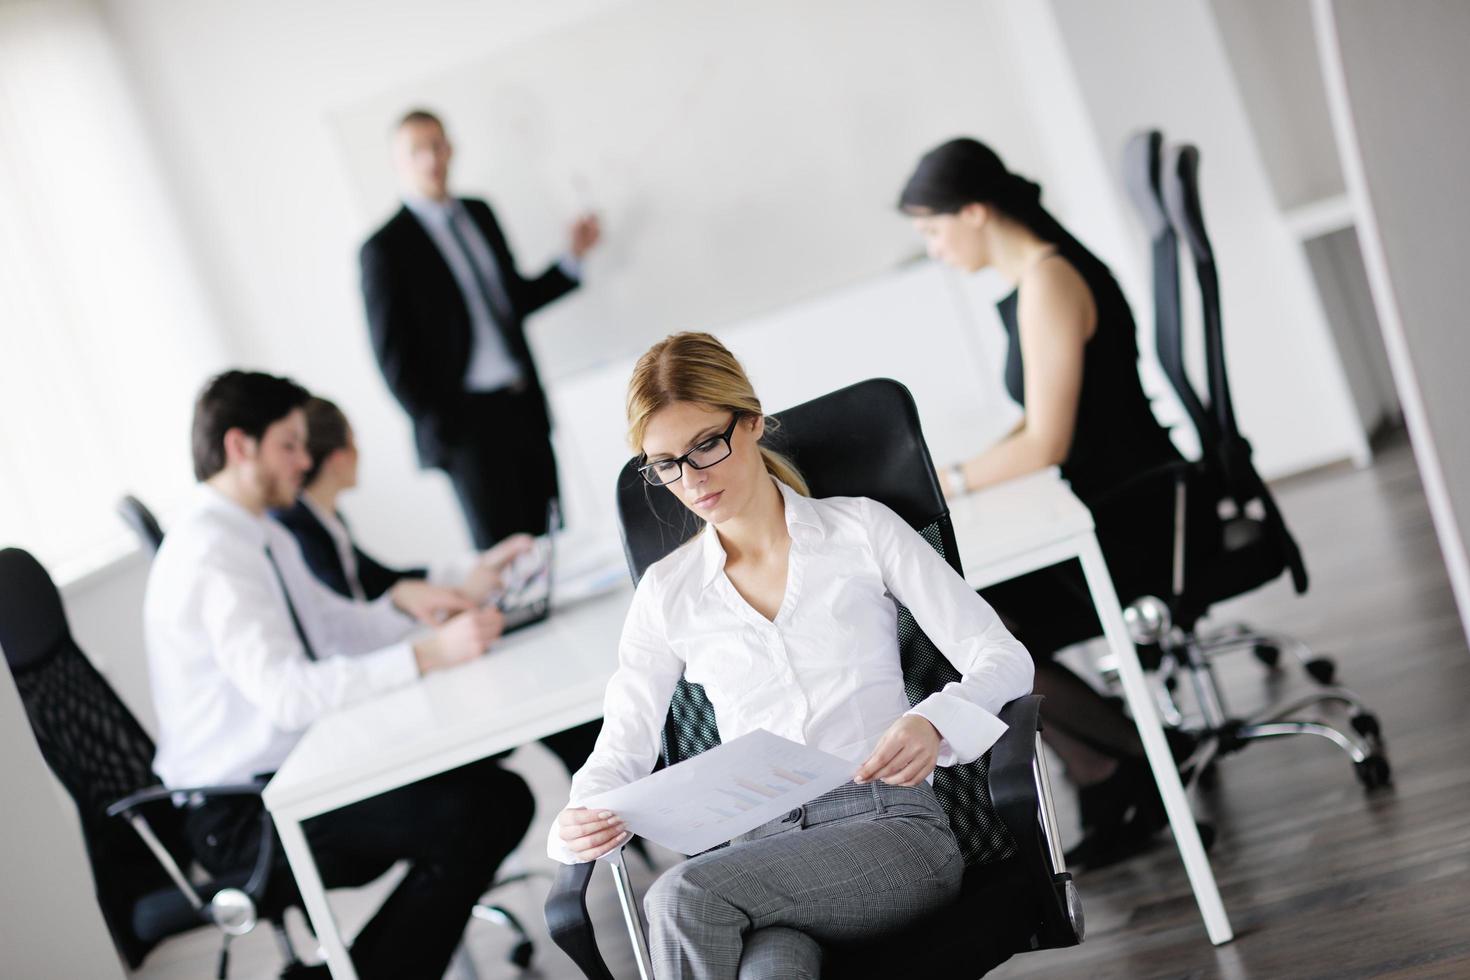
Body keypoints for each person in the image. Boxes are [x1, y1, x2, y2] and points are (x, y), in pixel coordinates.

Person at [548, 333, 1033, 980]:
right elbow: (622, 745)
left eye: (705, 447)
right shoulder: (668, 592)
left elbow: (1001, 656)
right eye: (665, 464)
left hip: (889, 831)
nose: (691, 481)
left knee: (683, 895)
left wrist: (936, 719)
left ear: (750, 423)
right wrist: (577, 821)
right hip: (761, 855)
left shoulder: (860, 529)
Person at [144, 370, 534, 980]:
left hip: (289, 775)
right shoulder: (212, 553)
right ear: (240, 446)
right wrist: (429, 654)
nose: (304, 462)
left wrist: (410, 611)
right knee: (483, 810)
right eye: (289, 446)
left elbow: (332, 631)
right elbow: (290, 696)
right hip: (246, 818)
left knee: (489, 790)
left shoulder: (256, 531)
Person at [899, 137, 1188, 869]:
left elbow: (1047, 443)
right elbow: (1036, 420)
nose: (933, 249)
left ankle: (1141, 751)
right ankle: (1112, 766)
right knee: (970, 619)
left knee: (974, 628)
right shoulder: (1038, 274)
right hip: (1120, 497)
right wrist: (961, 469)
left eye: (933, 230)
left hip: (1135, 518)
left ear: (974, 210)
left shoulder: (1049, 281)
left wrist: (948, 485)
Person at [273, 393, 604, 780]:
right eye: (354, 440)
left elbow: (387, 580)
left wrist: (474, 570)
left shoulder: (324, 519)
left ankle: (601, 791)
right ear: (338, 457)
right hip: (372, 699)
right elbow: (361, 619)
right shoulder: (300, 533)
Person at [360, 108, 601, 547]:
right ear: (398, 163)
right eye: (417, 151)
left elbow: (511, 300)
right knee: (507, 561)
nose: (431, 159)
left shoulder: (479, 212)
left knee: (555, 544)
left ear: (450, 149)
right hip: (466, 428)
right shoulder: (385, 248)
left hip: (522, 404)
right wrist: (447, 427)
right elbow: (393, 361)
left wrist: (572, 258)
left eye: (437, 145)